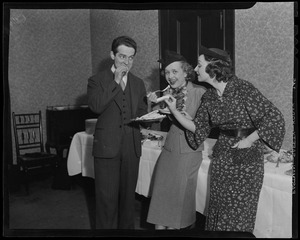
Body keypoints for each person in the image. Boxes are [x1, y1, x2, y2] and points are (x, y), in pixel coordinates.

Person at [163, 46, 285, 233]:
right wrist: (174, 111)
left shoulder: (242, 88)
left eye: (200, 65)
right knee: (218, 211)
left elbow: (274, 117)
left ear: (213, 67)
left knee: (238, 216)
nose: (195, 69)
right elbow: (199, 128)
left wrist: (250, 140)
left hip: (247, 162)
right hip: (222, 160)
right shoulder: (210, 96)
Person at [87, 36, 148, 229]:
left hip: (132, 148)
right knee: (106, 201)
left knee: (128, 201)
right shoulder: (96, 80)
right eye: (122, 56)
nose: (127, 62)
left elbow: (141, 112)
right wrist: (115, 81)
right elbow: (96, 107)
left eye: (131, 58)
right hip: (106, 148)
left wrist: (147, 122)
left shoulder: (138, 83)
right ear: (112, 55)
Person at [146, 50, 206, 230]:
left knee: (178, 206)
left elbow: (206, 125)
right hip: (170, 149)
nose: (170, 76)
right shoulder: (167, 93)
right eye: (167, 72)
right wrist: (153, 102)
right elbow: (155, 119)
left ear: (186, 72)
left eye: (174, 72)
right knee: (161, 198)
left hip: (188, 152)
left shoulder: (200, 92)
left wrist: (184, 116)